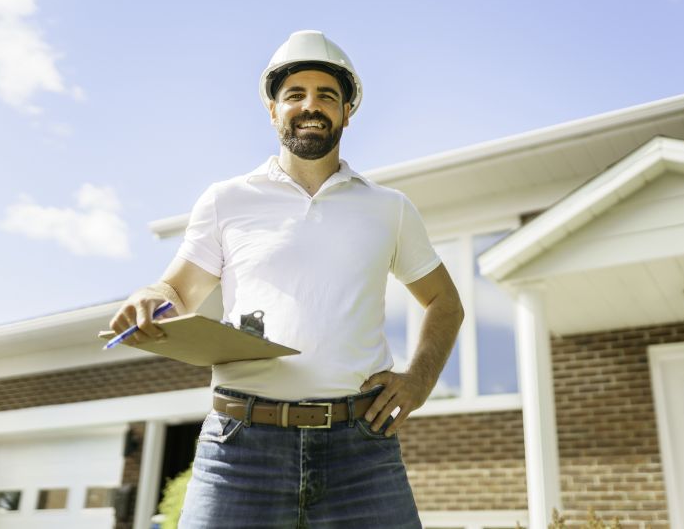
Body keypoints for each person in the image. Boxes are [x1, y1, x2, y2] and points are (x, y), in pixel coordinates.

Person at [108, 30, 464, 528]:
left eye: (327, 96)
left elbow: (444, 302)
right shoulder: (227, 200)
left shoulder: (390, 209)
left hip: (361, 451)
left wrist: (419, 381)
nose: (310, 105)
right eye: (295, 94)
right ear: (274, 111)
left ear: (347, 112)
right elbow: (177, 290)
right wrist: (150, 295)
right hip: (240, 448)